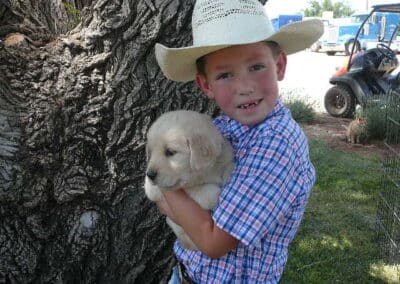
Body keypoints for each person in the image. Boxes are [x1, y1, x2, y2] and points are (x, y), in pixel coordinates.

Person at [154, 0, 323, 283]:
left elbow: (213, 242)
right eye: (224, 75)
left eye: (256, 66)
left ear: (279, 65)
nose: (245, 87)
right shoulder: (219, 128)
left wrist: (163, 177)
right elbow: (166, 204)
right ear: (205, 85)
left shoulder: (277, 144)